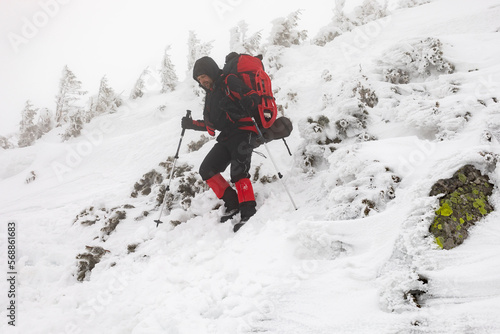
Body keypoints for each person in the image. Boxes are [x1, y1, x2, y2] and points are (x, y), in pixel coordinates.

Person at [181, 56, 261, 231]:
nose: (202, 81)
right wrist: (191, 124)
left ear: (210, 72)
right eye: (199, 80)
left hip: (244, 130)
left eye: (203, 77)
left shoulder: (229, 81)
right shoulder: (210, 94)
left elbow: (253, 96)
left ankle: (248, 211)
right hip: (227, 136)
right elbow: (212, 124)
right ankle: (233, 202)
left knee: (238, 172)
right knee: (206, 169)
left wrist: (250, 101)